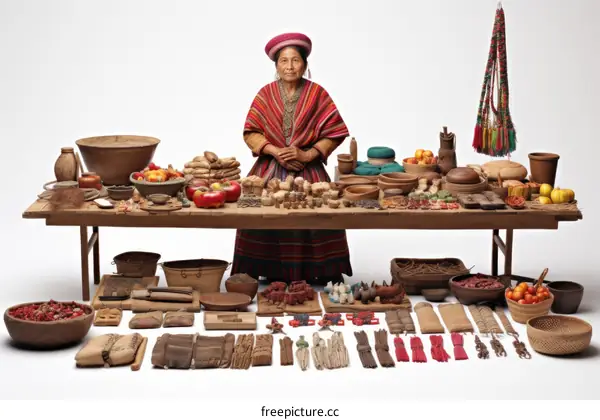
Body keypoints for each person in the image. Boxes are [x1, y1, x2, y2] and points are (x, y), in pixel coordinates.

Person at [230, 32, 353, 284]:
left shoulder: (318, 94)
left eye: (295, 60)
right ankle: (265, 270)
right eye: (283, 61)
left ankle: (316, 271)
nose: (289, 66)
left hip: (309, 172)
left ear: (305, 65)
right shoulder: (265, 94)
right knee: (259, 215)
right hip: (268, 170)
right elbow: (251, 132)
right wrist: (274, 151)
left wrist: (307, 154)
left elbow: (335, 132)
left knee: (314, 215)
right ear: (276, 66)